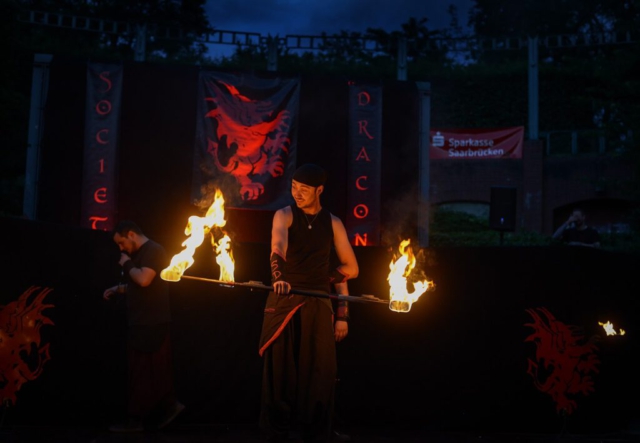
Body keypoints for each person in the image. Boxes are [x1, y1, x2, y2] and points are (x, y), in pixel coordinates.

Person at [258, 164, 359, 443]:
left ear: (319, 191)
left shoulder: (334, 223)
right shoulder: (285, 215)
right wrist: (279, 277)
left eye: (303, 189)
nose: (297, 193)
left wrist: (341, 312)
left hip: (318, 300)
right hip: (284, 297)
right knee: (280, 368)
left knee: (321, 370)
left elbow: (351, 267)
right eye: (293, 187)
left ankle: (316, 430)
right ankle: (276, 431)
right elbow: (277, 247)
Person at [103, 220, 184, 432]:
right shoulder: (141, 254)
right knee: (146, 372)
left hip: (151, 322)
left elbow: (145, 280)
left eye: (121, 243)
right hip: (143, 321)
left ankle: (141, 419)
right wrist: (118, 288)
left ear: (131, 234)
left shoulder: (154, 250)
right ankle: (164, 408)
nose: (121, 249)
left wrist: (127, 264)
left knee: (144, 372)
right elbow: (140, 287)